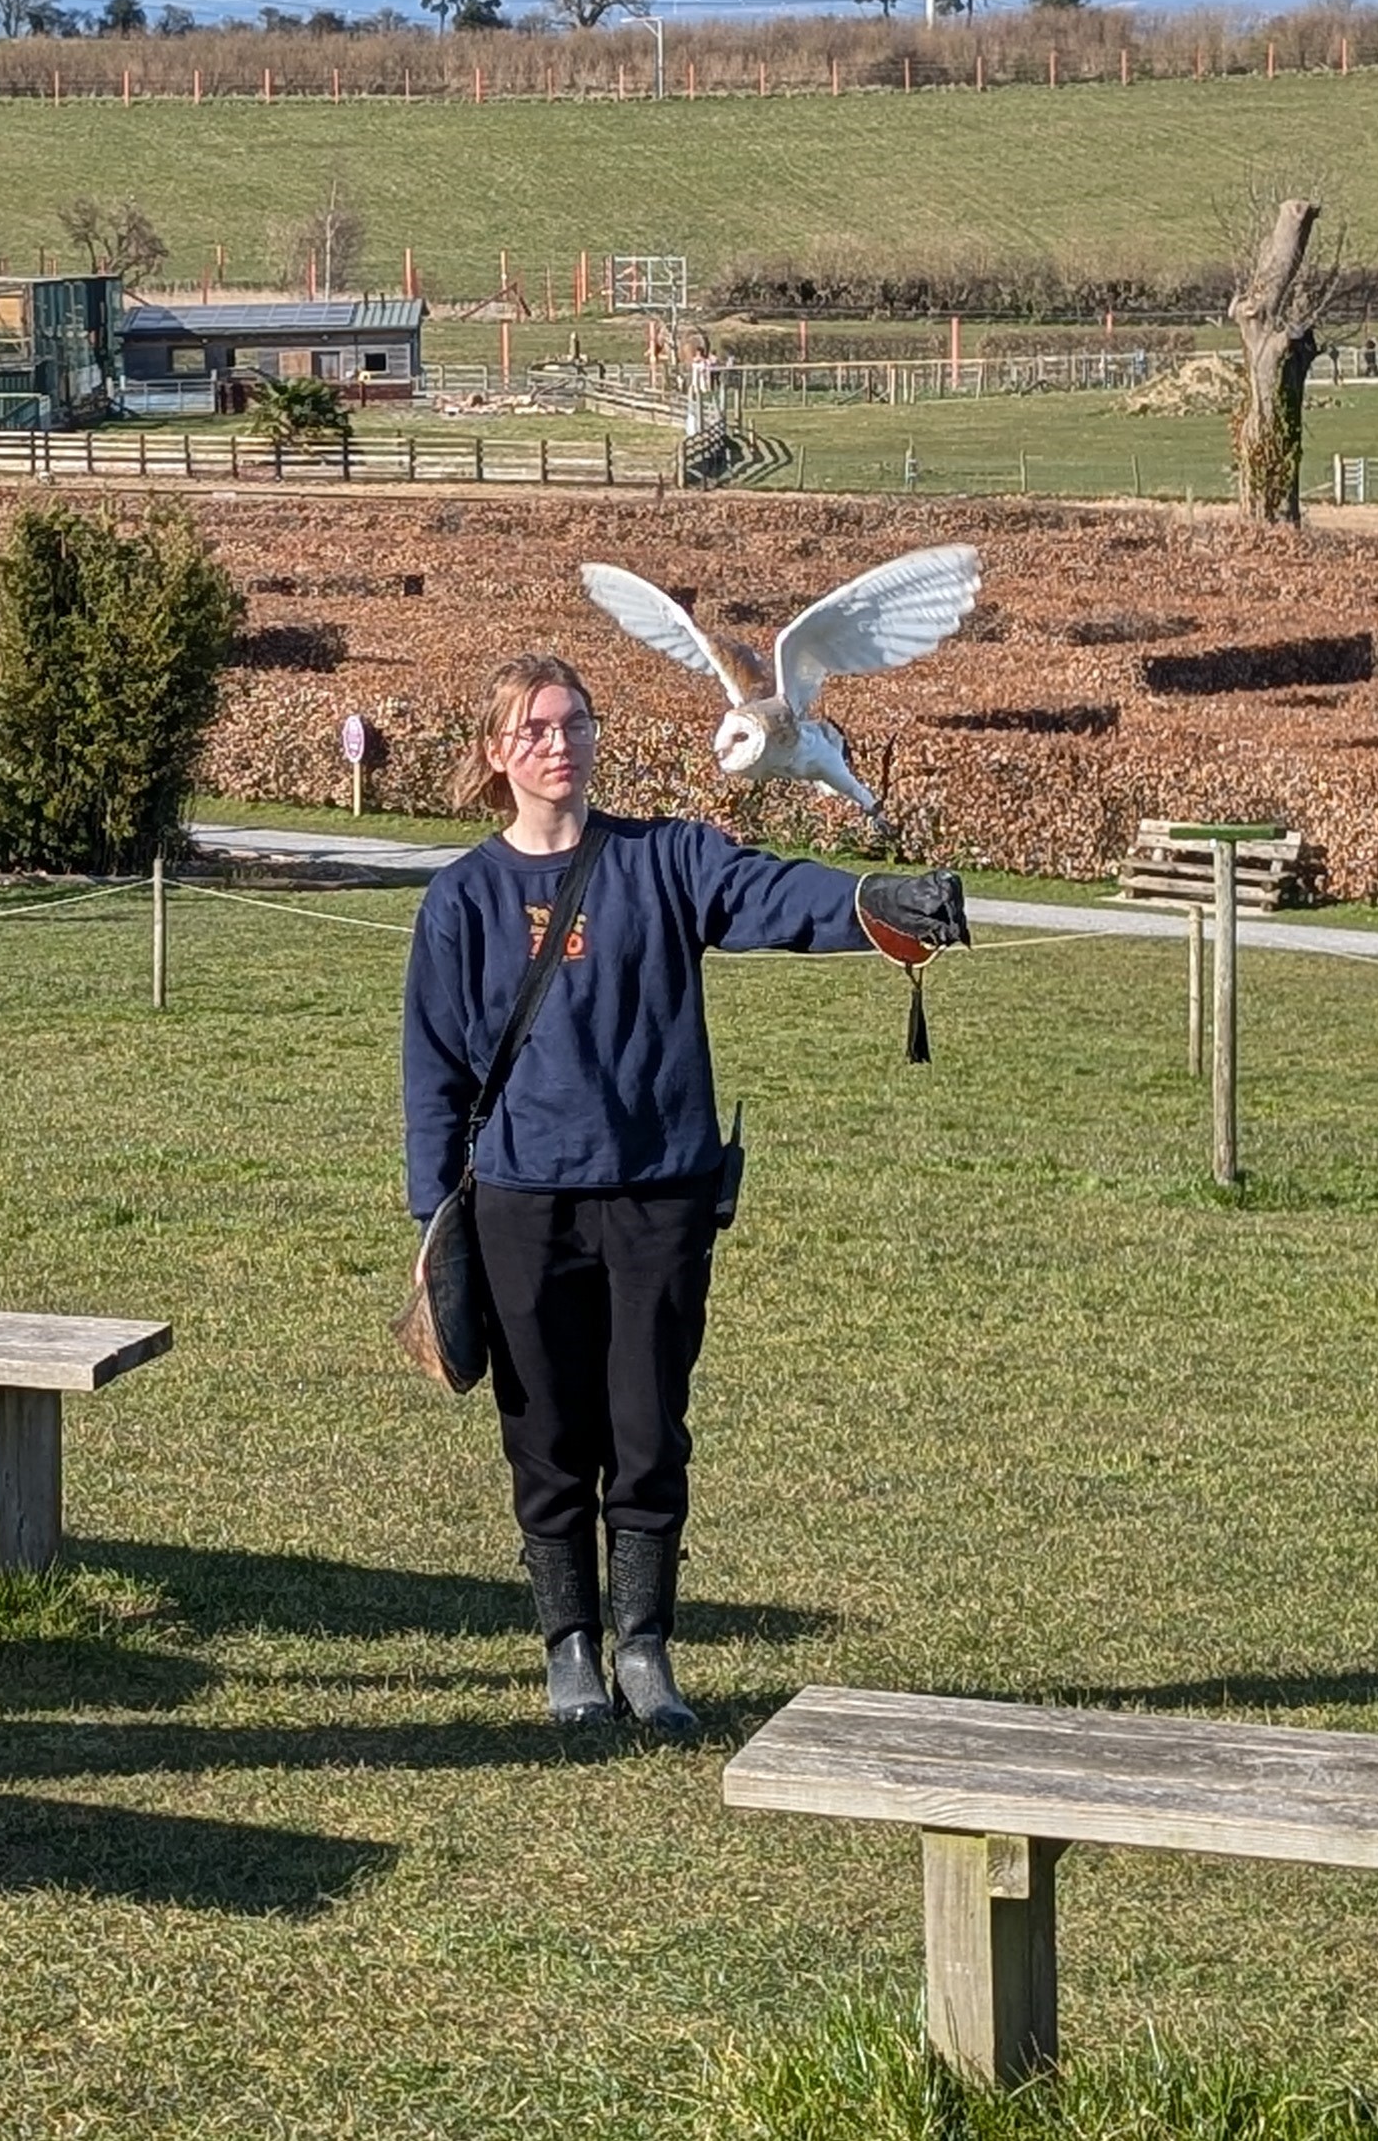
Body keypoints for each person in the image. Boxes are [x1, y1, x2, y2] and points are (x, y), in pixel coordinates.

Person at [401, 651, 967, 1739]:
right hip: (521, 1202)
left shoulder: (663, 859)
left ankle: (644, 1648)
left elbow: (769, 893)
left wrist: (870, 904)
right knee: (546, 1431)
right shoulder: (462, 898)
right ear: (495, 752)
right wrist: (436, 1228)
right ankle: (571, 1649)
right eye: (534, 729)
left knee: (648, 1427)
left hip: (659, 1194)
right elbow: (433, 1071)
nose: (558, 745)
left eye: (574, 723)